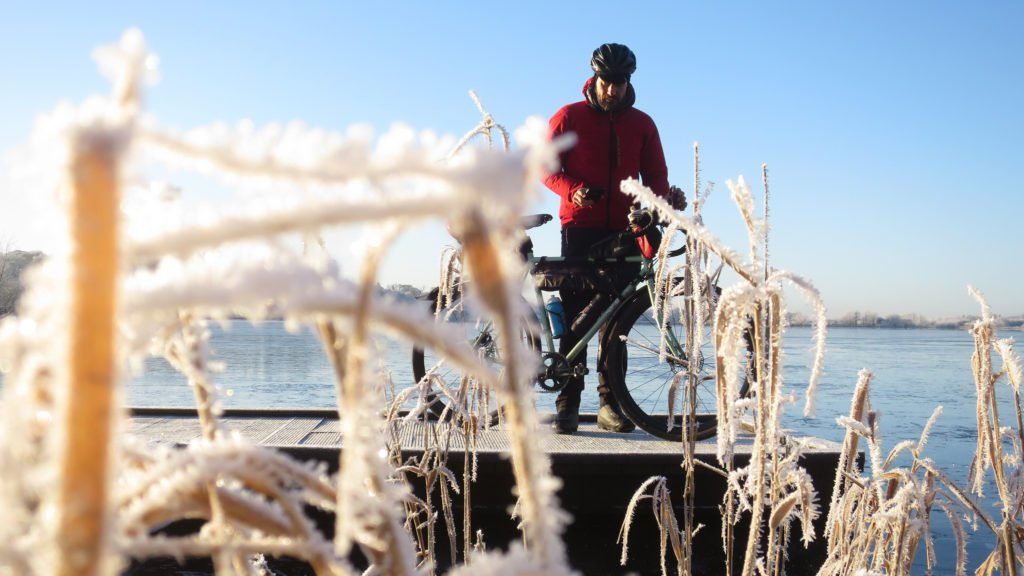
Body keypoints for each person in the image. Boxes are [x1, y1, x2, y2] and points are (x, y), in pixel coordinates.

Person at [544, 42, 685, 434]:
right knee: (577, 318)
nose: (612, 90)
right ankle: (567, 405)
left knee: (616, 324)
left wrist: (665, 200)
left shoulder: (642, 124)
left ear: (628, 82)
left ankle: (611, 407)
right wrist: (572, 189)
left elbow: (655, 177)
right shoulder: (568, 116)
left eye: (619, 83)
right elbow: (545, 167)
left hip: (624, 231)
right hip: (579, 229)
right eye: (607, 81)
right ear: (596, 78)